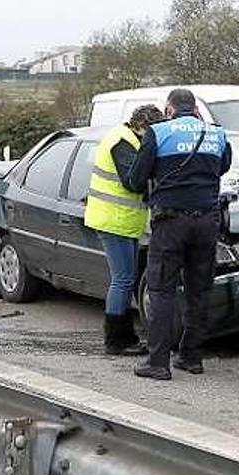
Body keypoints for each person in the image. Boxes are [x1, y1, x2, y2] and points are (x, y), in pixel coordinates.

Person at [123, 89, 232, 380]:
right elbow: (223, 167)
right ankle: (191, 357)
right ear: (194, 109)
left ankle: (158, 362)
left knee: (161, 289)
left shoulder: (158, 133)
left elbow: (135, 180)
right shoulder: (217, 134)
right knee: (199, 290)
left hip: (170, 222)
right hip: (207, 221)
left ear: (169, 109)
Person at [84, 105, 164, 356]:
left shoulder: (126, 137)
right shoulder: (122, 142)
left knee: (125, 279)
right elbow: (133, 182)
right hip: (113, 220)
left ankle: (123, 336)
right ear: (143, 127)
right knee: (123, 279)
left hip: (122, 221)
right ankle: (117, 340)